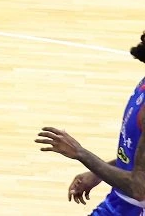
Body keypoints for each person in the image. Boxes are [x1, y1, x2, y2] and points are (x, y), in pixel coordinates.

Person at [35, 31, 145, 216]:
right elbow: (135, 159)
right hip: (121, 202)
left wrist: (80, 153)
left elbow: (139, 187)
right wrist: (97, 173)